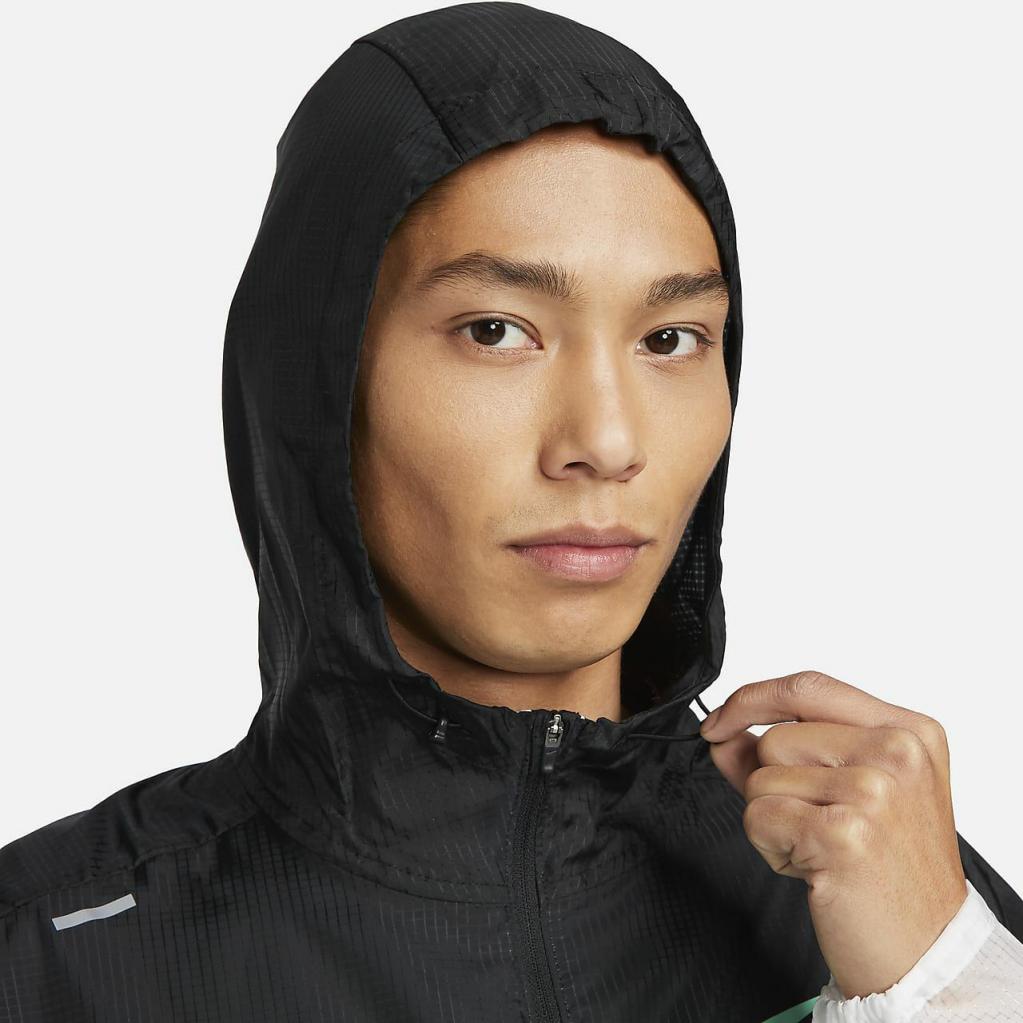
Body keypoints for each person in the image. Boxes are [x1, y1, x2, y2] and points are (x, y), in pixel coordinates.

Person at [2, 4, 1021, 1020]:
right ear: (314, 380)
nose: (608, 441)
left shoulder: (889, 887)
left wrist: (946, 988)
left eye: (669, 339)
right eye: (496, 330)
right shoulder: (54, 962)